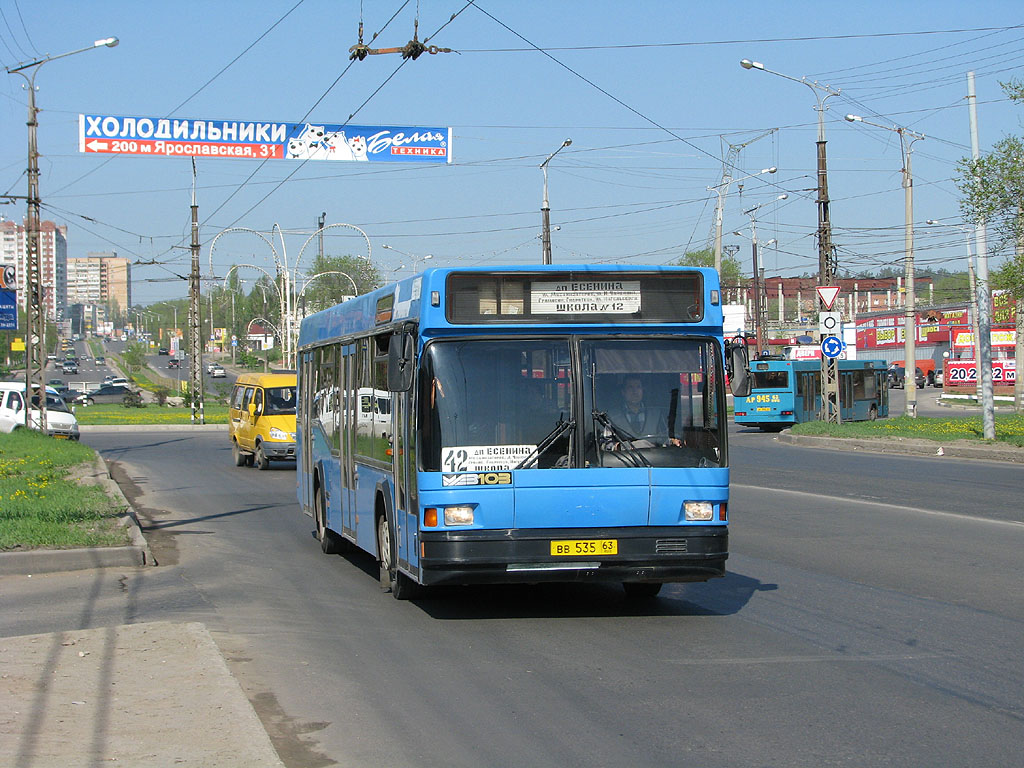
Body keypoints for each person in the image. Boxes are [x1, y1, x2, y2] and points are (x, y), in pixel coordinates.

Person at [605, 375, 681, 446]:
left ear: (642, 391)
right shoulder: (612, 417)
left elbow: (664, 439)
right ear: (623, 392)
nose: (635, 391)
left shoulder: (656, 415)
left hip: (653, 459)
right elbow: (605, 444)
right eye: (630, 387)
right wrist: (617, 447)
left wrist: (672, 442)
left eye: (638, 387)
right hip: (624, 459)